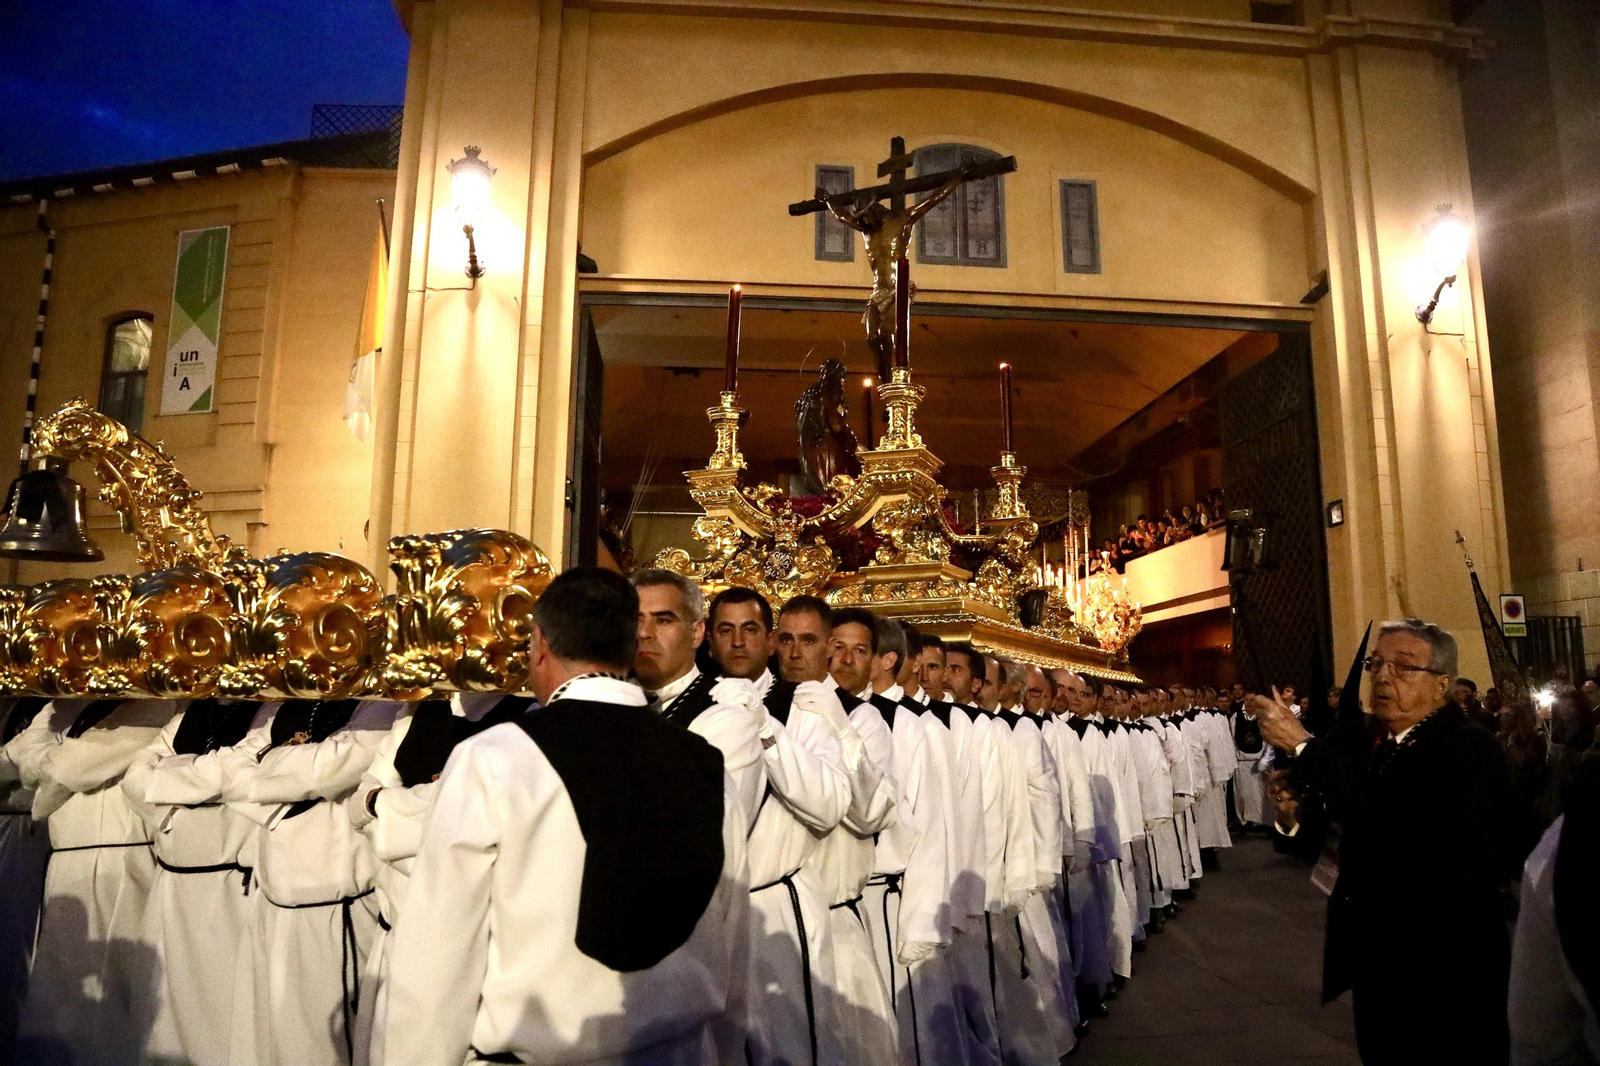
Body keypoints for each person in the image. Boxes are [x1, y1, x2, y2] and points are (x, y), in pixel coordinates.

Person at [383, 568, 752, 1066]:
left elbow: (438, 952)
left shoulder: (496, 757)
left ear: (539, 644)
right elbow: (732, 934)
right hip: (683, 1051)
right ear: (630, 647)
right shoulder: (706, 762)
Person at [1251, 618, 1512, 1065]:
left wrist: (1303, 745)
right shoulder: (1384, 743)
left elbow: (1401, 818)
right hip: (1383, 961)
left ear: (1442, 685)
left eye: (1404, 667)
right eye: (1376, 664)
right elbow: (1361, 828)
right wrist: (1296, 818)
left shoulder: (1467, 747)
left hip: (1443, 967)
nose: (1383, 676)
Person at [706, 589, 853, 1066]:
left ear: (769, 641)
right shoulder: (698, 701)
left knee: (786, 1048)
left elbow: (827, 804)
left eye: (750, 630)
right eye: (725, 631)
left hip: (774, 904)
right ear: (708, 640)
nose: (737, 643)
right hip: (705, 911)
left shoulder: (803, 704)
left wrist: (764, 725)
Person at [632, 569, 766, 823]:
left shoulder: (728, 715)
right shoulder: (611, 703)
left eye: (663, 620)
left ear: (696, 634)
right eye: (636, 620)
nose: (644, 633)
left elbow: (718, 829)